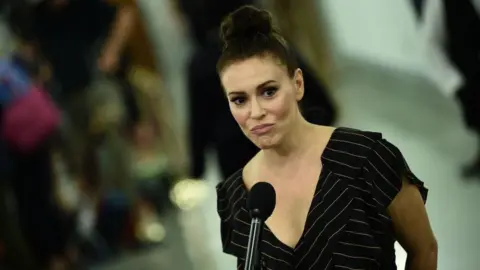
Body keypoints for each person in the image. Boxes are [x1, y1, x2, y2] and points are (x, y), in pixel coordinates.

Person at [215, 6, 438, 269]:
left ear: (298, 84)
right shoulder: (236, 198)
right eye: (239, 100)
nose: (256, 112)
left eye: (269, 92)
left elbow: (424, 249)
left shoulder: (366, 158)